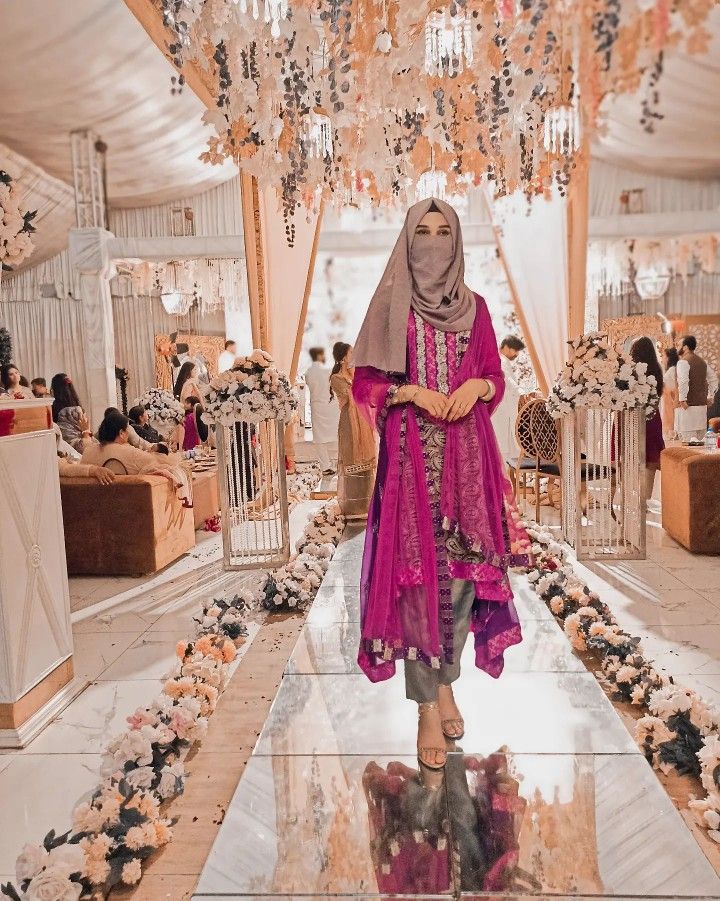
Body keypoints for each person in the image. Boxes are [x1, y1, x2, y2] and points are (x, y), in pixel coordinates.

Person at [352, 198, 530, 773]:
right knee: (414, 583)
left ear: (457, 242)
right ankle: (427, 704)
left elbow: (495, 376)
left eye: (442, 232)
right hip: (410, 462)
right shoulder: (390, 307)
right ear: (407, 241)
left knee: (457, 581)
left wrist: (478, 387)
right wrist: (410, 394)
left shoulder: (476, 309)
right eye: (421, 232)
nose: (432, 242)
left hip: (466, 460)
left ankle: (446, 685)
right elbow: (365, 384)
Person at [82, 410, 192, 507]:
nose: (129, 433)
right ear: (121, 433)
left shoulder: (89, 451)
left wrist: (85, 434)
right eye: (127, 430)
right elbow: (159, 462)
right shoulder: (129, 453)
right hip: (127, 506)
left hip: (93, 505)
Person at [330, 341, 376, 519]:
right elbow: (350, 397)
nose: (353, 355)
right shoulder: (336, 378)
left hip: (362, 421)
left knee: (366, 458)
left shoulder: (354, 374)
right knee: (352, 457)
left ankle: (367, 503)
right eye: (350, 353)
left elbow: (365, 393)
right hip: (349, 423)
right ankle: (352, 506)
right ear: (343, 358)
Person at [630, 337, 665, 504]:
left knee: (632, 457)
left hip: (633, 418)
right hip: (652, 417)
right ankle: (646, 500)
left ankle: (634, 498)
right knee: (650, 460)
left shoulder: (631, 371)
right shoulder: (657, 370)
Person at [304, 346, 340, 475]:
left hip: (316, 406)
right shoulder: (328, 370)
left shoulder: (308, 372)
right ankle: (340, 462)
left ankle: (325, 466)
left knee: (319, 437)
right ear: (319, 355)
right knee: (338, 433)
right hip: (331, 405)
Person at [676, 335, 718, 441]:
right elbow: (713, 379)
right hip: (701, 410)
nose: (677, 347)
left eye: (679, 345)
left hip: (687, 408)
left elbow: (683, 381)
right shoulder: (702, 362)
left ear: (685, 347)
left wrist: (682, 399)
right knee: (701, 444)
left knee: (688, 445)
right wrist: (710, 396)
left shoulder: (683, 362)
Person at [490, 336, 525, 464]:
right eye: (515, 350)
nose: (516, 354)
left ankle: (509, 477)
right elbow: (508, 381)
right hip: (502, 410)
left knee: (506, 444)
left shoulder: (502, 361)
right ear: (506, 347)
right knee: (503, 445)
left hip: (505, 409)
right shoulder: (500, 361)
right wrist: (522, 392)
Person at [661, 347, 679, 439]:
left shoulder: (672, 370)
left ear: (668, 358)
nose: (662, 358)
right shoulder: (674, 369)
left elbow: (671, 389)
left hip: (671, 404)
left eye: (663, 356)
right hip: (670, 403)